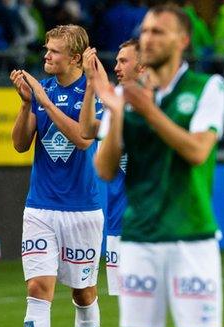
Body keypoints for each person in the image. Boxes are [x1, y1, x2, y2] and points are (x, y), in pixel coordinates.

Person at [92, 5, 224, 327]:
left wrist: (148, 110)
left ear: (182, 41)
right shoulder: (123, 97)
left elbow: (197, 151)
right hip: (139, 237)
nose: (148, 37)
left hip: (192, 235)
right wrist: (117, 116)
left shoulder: (207, 88)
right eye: (145, 31)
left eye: (158, 31)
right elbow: (104, 168)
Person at [1, 24, 103, 327]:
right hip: (40, 207)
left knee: (83, 294)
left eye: (54, 52)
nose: (45, 56)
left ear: (75, 58)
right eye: (46, 50)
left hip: (82, 211)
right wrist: (27, 103)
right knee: (37, 287)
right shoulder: (41, 94)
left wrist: (43, 100)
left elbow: (81, 139)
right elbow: (19, 144)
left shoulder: (91, 91)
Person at [79, 39, 144, 297]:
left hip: (148, 223)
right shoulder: (116, 104)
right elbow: (86, 130)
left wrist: (102, 86)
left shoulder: (153, 102)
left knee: (145, 308)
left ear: (142, 67)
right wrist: (90, 86)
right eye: (115, 61)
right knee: (130, 310)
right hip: (118, 222)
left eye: (123, 61)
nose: (116, 66)